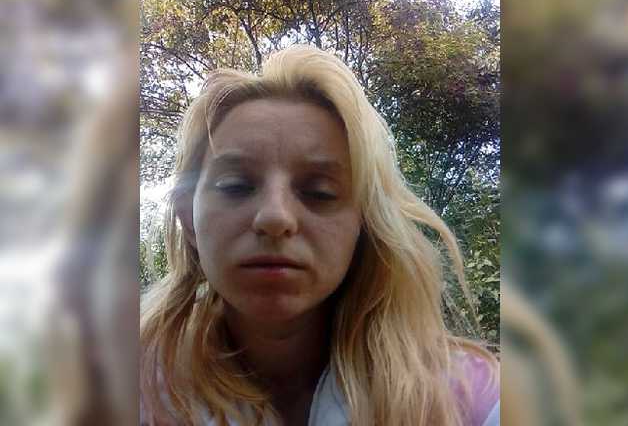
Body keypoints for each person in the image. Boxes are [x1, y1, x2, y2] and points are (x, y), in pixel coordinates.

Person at [140, 45, 499, 426]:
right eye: (236, 186)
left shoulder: (472, 401)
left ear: (365, 224)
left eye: (319, 192)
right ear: (188, 219)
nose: (275, 217)